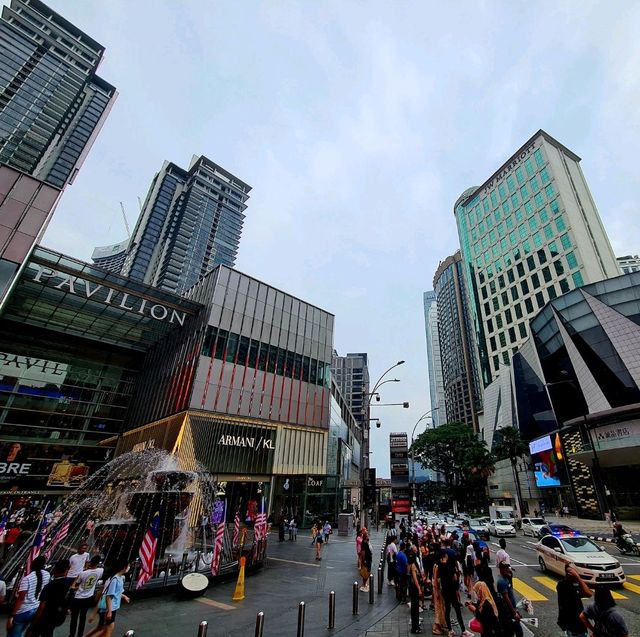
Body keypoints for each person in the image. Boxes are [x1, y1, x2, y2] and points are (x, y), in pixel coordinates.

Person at [84, 559, 130, 637]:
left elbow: (116, 593)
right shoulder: (115, 579)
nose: (129, 567)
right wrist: (109, 611)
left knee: (104, 630)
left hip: (111, 608)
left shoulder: (119, 578)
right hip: (108, 608)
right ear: (124, 567)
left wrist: (124, 596)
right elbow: (109, 596)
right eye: (128, 566)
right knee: (106, 631)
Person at [7, 555, 51, 637]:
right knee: (25, 629)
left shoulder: (27, 579)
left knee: (14, 633)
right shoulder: (47, 575)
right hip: (36, 609)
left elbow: (21, 599)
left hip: (23, 610)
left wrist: (12, 615)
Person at [29, 559, 75, 637]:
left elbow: (42, 606)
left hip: (46, 616)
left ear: (55, 570)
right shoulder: (68, 584)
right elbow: (68, 599)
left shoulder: (50, 586)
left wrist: (34, 622)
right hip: (58, 616)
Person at [438, 549, 473, 637]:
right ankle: (463, 631)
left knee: (448, 609)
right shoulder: (450, 567)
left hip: (445, 590)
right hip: (451, 590)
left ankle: (450, 630)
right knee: (457, 609)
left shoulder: (440, 566)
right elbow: (455, 578)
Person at [69, 554, 104, 637]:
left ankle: (71, 634)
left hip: (78, 598)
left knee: (74, 618)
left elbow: (74, 586)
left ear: (90, 563)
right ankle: (80, 634)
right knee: (83, 617)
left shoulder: (83, 573)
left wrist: (75, 585)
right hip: (88, 597)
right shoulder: (100, 571)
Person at [556, 564, 591, 637]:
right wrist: (578, 577)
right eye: (574, 570)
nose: (576, 572)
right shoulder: (563, 585)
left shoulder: (574, 584)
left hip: (577, 626)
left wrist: (578, 579)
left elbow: (588, 593)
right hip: (575, 626)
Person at [496, 561, 523, 637]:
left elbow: (511, 592)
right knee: (516, 633)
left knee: (517, 632)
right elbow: (506, 598)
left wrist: (515, 610)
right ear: (501, 569)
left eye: (508, 567)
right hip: (508, 613)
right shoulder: (501, 582)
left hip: (511, 611)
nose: (507, 569)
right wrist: (514, 613)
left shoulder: (506, 578)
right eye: (505, 568)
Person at [431, 554, 446, 636]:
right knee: (438, 608)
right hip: (437, 589)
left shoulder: (435, 565)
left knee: (439, 607)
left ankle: (439, 625)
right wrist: (436, 592)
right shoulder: (437, 567)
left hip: (436, 588)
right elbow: (436, 579)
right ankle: (436, 627)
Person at [408, 551, 423, 634]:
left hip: (412, 588)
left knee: (414, 608)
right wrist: (419, 589)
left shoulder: (409, 565)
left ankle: (415, 626)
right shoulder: (413, 565)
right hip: (414, 588)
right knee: (415, 608)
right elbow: (415, 579)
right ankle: (415, 627)